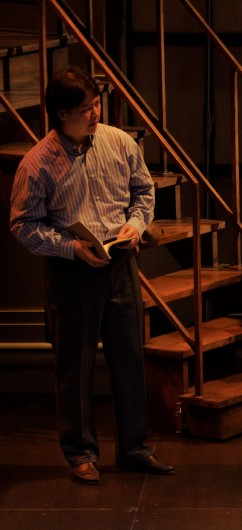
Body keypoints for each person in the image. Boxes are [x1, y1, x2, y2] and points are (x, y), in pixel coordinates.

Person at [9, 65, 174, 484]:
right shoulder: (38, 163)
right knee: (75, 362)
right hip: (73, 270)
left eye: (97, 104)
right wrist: (71, 248)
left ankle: (134, 447)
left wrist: (135, 226)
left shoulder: (118, 142)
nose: (96, 113)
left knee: (129, 355)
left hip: (120, 261)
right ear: (62, 115)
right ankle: (80, 452)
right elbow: (23, 224)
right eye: (86, 109)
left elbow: (144, 191)